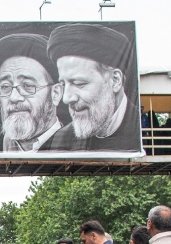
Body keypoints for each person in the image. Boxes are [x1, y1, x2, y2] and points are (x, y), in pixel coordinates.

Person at [46, 23, 141, 151]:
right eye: (63, 84)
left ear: (115, 80)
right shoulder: (61, 139)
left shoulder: (142, 131)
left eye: (79, 83)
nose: (67, 98)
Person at [0, 34, 64, 152]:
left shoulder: (84, 150)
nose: (14, 97)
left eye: (28, 86)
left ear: (56, 93)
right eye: (5, 86)